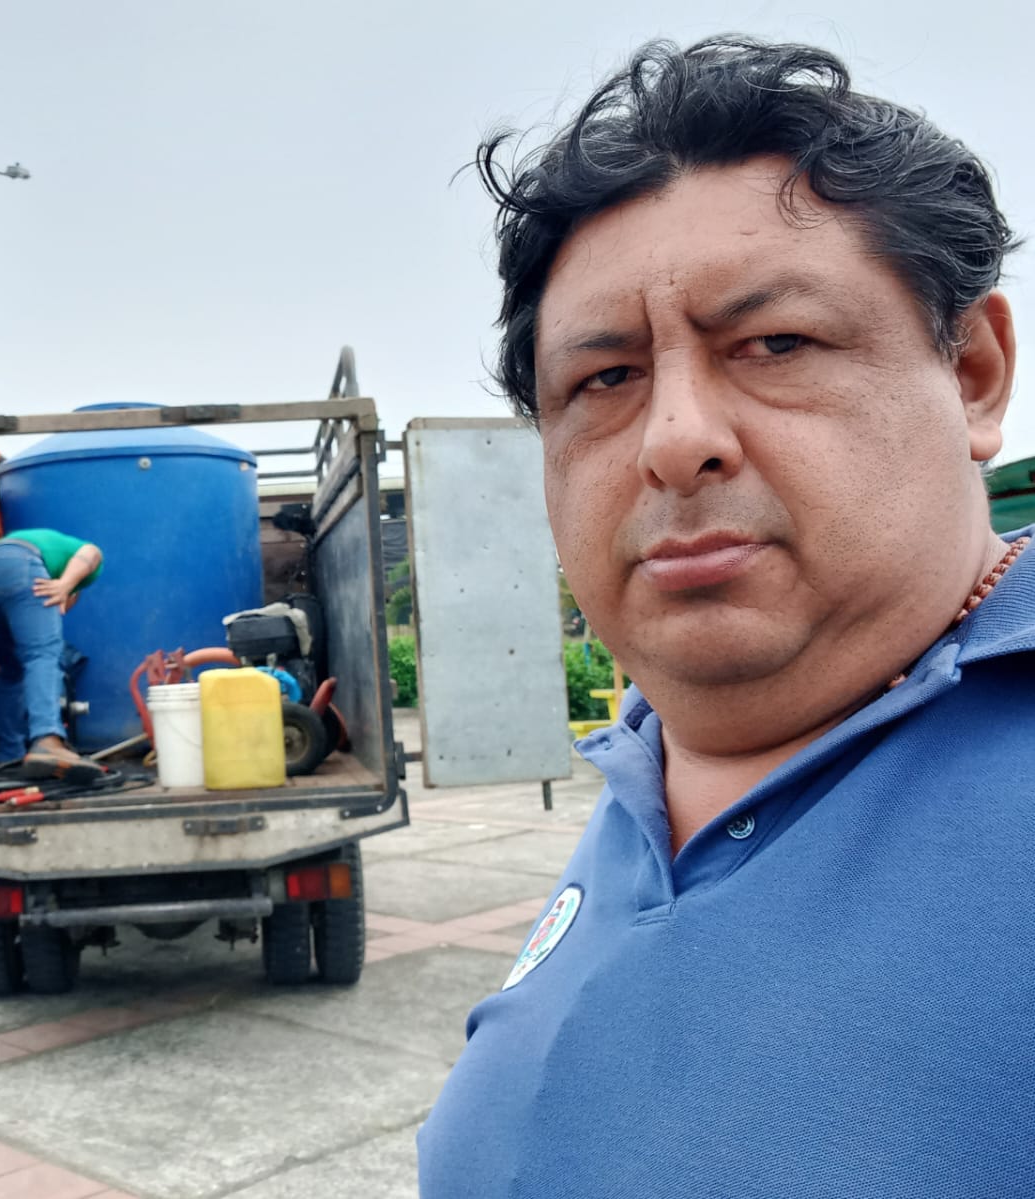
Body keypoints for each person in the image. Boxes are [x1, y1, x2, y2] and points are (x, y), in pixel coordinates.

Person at [419, 37, 1034, 1198]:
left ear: (972, 371)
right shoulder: (645, 768)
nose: (674, 439)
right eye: (606, 379)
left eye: (775, 343)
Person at [0, 528, 104, 779]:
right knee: (43, 653)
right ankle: (48, 739)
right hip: (19, 566)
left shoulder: (39, 548)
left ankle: (9, 758)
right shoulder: (78, 575)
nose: (59, 612)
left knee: (10, 666)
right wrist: (64, 585)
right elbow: (93, 552)